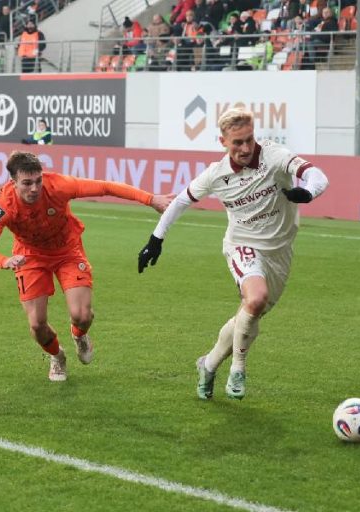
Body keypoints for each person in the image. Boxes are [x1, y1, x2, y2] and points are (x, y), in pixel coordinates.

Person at [137, 109, 329, 400]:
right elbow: (179, 202)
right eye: (237, 142)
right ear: (223, 141)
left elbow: (317, 175)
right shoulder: (216, 174)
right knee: (255, 299)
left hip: (279, 252)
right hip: (242, 246)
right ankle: (238, 367)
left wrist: (309, 192)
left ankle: (209, 364)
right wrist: (156, 239)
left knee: (249, 314)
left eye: (249, 139)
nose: (245, 148)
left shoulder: (274, 156)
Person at [0, 152, 174, 382]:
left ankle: (80, 336)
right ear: (13, 182)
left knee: (82, 316)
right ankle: (57, 356)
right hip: (30, 257)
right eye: (27, 183)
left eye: (38, 180)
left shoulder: (58, 185)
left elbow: (105, 187)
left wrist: (151, 199)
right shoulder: (4, 205)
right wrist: (5, 261)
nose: (35, 188)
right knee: (37, 325)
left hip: (67, 250)